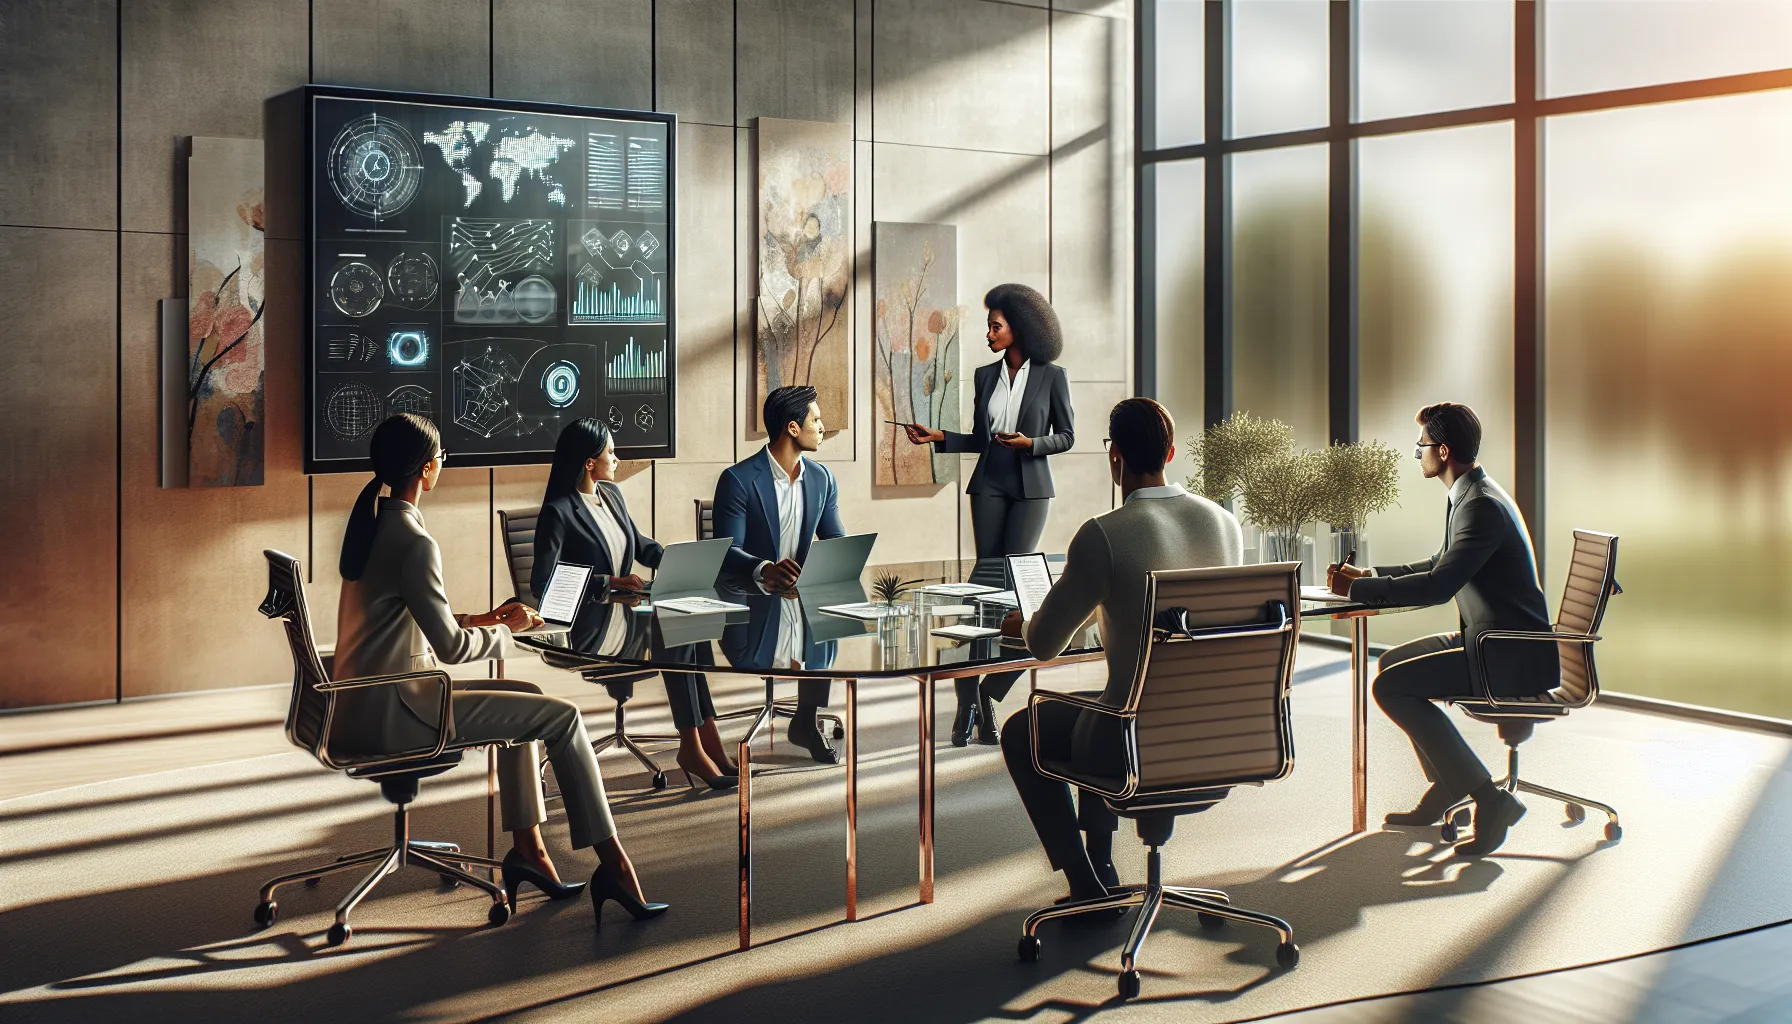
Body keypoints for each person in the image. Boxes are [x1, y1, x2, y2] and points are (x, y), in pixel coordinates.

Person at [331, 413, 667, 929]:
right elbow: (451, 648)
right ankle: (616, 866)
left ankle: (530, 850)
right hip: (404, 710)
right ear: (425, 469)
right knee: (564, 717)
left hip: (366, 699)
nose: (443, 463)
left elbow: (410, 616)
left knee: (529, 693)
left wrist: (488, 617)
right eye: (441, 456)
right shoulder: (414, 541)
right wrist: (513, 632)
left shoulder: (377, 525)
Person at [999, 398, 1241, 902]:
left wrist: (1024, 624)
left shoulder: (1103, 535)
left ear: (1116, 458)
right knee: (1098, 702)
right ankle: (1103, 859)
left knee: (1025, 728)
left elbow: (1043, 645)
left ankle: (1085, 881)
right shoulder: (1225, 524)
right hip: (1220, 739)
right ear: (1170, 451)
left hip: (1134, 742)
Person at [1328, 402, 1557, 857]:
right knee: (1391, 663)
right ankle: (1447, 784)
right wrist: (1368, 576)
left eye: (1422, 447)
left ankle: (1489, 800)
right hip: (1490, 639)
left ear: (1444, 451)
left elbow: (1439, 586)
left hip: (1508, 653)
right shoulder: (1472, 494)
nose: (1419, 455)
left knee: (1391, 687)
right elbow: (1439, 563)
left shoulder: (1481, 506)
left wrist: (1360, 593)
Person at [905, 283, 1075, 747]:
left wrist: (1031, 444)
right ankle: (967, 709)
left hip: (1031, 489)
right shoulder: (984, 376)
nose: (988, 333)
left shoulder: (1051, 376)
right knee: (981, 598)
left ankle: (987, 694)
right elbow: (981, 438)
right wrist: (938, 437)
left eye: (994, 325)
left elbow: (1067, 436)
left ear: (1019, 328)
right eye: (989, 326)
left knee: (1019, 601)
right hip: (989, 487)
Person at [532, 418, 737, 792]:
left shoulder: (611, 495)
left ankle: (709, 743)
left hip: (626, 621)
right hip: (588, 630)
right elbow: (542, 583)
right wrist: (607, 582)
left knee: (684, 620)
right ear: (589, 462)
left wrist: (673, 559)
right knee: (673, 627)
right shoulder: (559, 510)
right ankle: (693, 746)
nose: (617, 457)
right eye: (610, 451)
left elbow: (640, 544)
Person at [713, 385, 846, 764]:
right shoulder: (738, 480)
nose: (822, 427)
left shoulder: (821, 479)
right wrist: (764, 568)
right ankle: (805, 720)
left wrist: (841, 559)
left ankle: (805, 720)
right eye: (816, 420)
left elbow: (835, 538)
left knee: (827, 622)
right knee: (812, 622)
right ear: (792, 427)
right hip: (750, 604)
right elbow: (726, 550)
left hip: (800, 595)